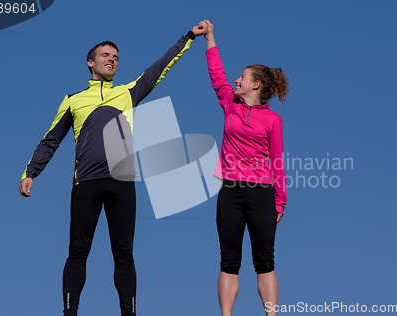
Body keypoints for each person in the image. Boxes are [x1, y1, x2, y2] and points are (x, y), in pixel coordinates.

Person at [19, 23, 207, 316]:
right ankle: (70, 312)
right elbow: (51, 139)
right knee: (78, 252)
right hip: (87, 184)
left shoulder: (128, 93)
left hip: (122, 184)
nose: (112, 60)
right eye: (106, 55)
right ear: (90, 63)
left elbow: (160, 67)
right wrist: (31, 172)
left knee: (124, 254)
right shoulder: (74, 100)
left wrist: (189, 37)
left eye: (116, 57)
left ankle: (128, 313)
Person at [201, 20, 288, 316]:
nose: (236, 81)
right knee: (229, 261)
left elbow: (277, 162)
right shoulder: (230, 104)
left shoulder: (272, 121)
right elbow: (217, 76)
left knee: (265, 261)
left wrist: (280, 200)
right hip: (231, 192)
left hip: (262, 193)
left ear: (256, 84)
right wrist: (210, 38)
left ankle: (271, 313)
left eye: (242, 78)